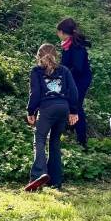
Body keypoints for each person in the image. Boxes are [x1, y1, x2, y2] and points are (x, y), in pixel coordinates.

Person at [24, 44, 79, 192]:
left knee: (40, 139)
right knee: (54, 142)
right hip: (63, 108)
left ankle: (38, 174)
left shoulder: (36, 71)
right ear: (56, 55)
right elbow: (73, 91)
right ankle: (55, 181)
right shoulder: (64, 70)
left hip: (47, 109)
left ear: (38, 56)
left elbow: (35, 93)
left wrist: (31, 111)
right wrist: (73, 111)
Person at [57, 18, 92, 150]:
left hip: (80, 80)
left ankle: (82, 141)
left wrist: (65, 76)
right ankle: (70, 129)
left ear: (62, 32)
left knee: (76, 106)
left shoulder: (76, 46)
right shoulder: (67, 44)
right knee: (68, 102)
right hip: (72, 79)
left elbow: (77, 68)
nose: (57, 34)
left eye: (58, 32)